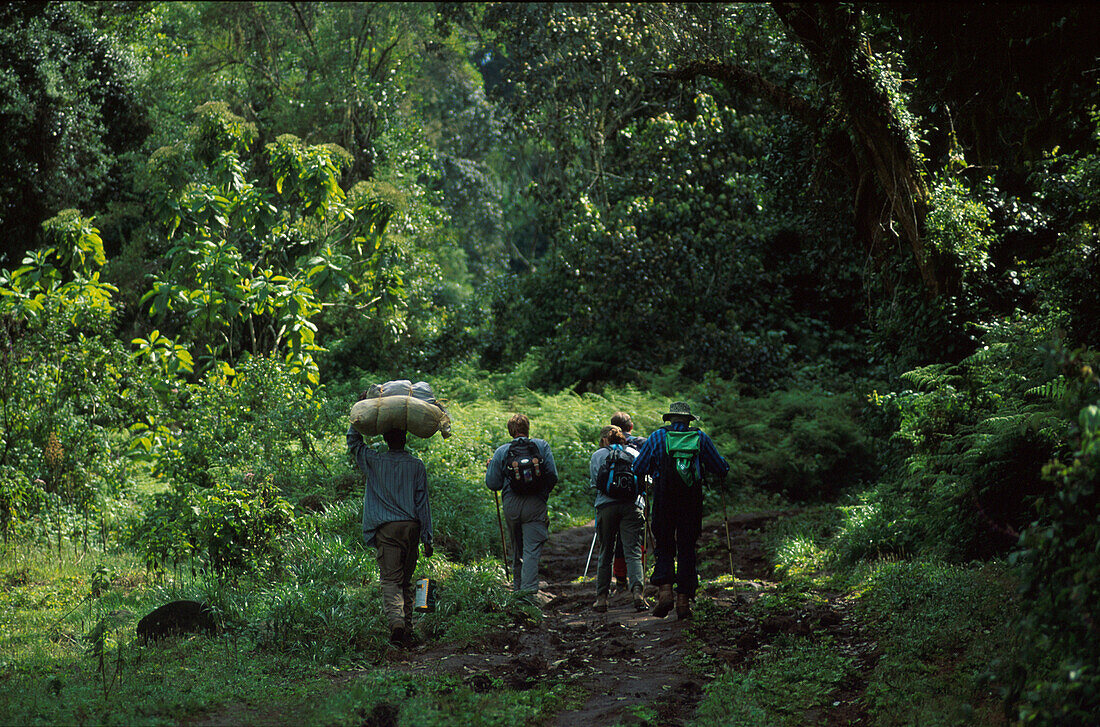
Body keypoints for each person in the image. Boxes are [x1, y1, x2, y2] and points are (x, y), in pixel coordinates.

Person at [632, 401, 729, 620]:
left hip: (664, 500)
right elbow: (719, 467)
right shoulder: (700, 438)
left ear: (670, 419)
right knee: (687, 546)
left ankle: (665, 591)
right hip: (690, 501)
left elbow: (638, 467)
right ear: (688, 420)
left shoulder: (657, 437)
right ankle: (684, 602)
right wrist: (723, 467)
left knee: (664, 543)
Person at [348, 405, 434, 648]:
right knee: (406, 581)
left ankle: (397, 624)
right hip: (412, 529)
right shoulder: (416, 464)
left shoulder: (375, 461)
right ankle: (407, 630)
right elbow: (422, 502)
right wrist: (427, 537)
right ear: (405, 439)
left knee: (390, 580)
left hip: (388, 530)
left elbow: (354, 443)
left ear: (385, 439)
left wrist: (358, 414)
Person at [486, 413, 558, 602]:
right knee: (531, 550)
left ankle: (518, 591)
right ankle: (528, 595)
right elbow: (552, 475)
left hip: (511, 505)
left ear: (511, 431)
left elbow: (493, 483)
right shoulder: (541, 446)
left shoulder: (502, 451)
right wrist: (542, 494)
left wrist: (490, 467)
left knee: (517, 548)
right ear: (528, 428)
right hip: (535, 504)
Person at [589, 425, 647, 613]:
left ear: (604, 439)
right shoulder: (633, 452)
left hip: (606, 507)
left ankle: (602, 599)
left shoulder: (598, 455)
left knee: (606, 551)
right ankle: (638, 593)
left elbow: (594, 484)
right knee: (633, 552)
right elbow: (643, 479)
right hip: (632, 506)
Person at [609, 412, 647, 591]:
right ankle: (639, 576)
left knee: (617, 540)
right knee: (636, 537)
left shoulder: (607, 446)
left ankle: (620, 578)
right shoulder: (641, 443)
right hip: (635, 499)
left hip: (611, 499)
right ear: (630, 427)